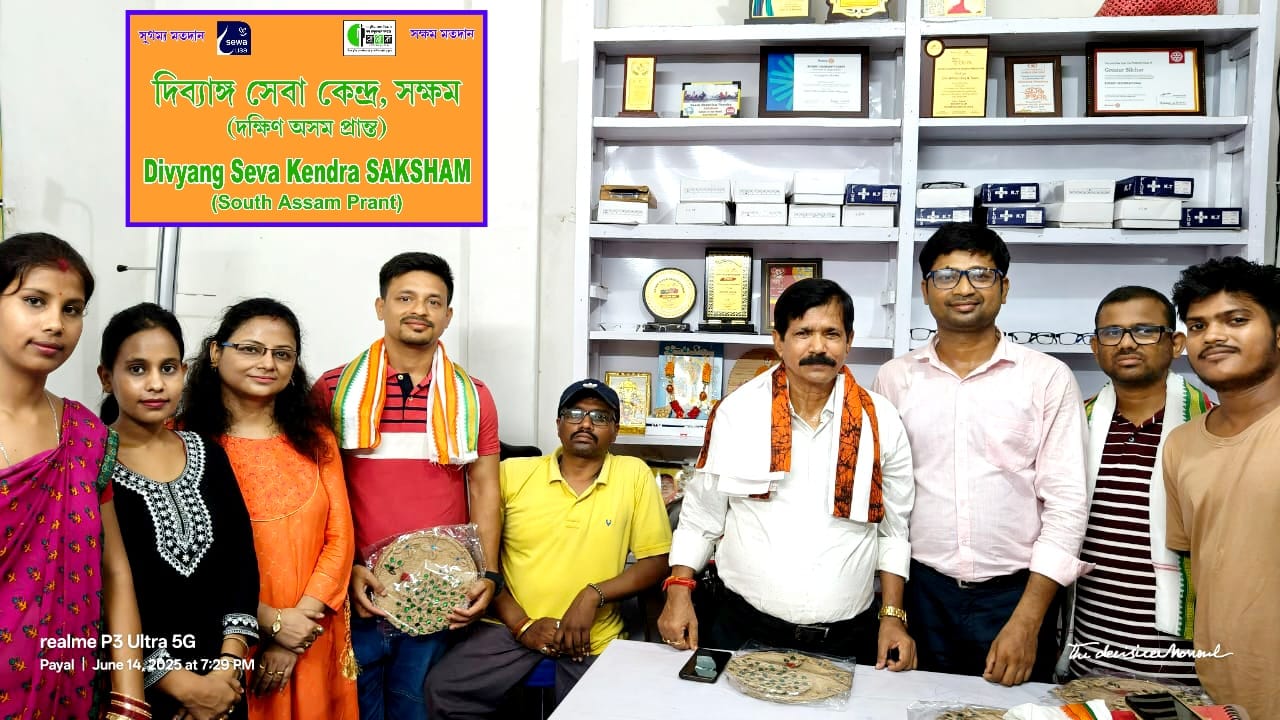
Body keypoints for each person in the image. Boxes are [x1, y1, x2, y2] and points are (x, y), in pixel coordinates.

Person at [660, 278, 917, 671]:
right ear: (778, 341)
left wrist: (893, 616)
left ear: (849, 341)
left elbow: (894, 530)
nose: (818, 347)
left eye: (831, 333)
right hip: (740, 625)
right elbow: (701, 516)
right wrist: (678, 592)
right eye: (803, 333)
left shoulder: (880, 420)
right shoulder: (737, 413)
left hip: (848, 635)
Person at [873, 223, 1088, 686]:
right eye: (946, 276)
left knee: (1014, 712)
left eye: (980, 274)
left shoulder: (1046, 378)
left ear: (1004, 287)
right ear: (925, 291)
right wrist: (893, 612)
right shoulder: (894, 379)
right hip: (921, 592)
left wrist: (1027, 622)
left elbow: (1067, 505)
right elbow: (888, 502)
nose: (964, 289)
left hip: (1016, 595)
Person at [313, 253, 501, 720]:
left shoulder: (473, 398)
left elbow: (485, 490)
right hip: (357, 589)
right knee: (354, 710)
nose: (420, 309)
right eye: (405, 298)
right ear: (381, 306)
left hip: (438, 594)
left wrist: (488, 575)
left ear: (448, 315)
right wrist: (346, 570)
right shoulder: (334, 390)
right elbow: (315, 491)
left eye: (433, 301)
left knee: (417, 709)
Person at [424, 380, 672, 716]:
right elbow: (481, 562)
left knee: (613, 710)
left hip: (591, 637)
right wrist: (523, 625)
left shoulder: (633, 475)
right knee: (443, 690)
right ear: (558, 424)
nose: (586, 423)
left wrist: (592, 595)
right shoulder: (512, 473)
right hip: (508, 628)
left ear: (615, 431)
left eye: (600, 417)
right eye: (575, 414)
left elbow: (656, 561)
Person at [180, 298, 359, 720]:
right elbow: (187, 559)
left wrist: (293, 634)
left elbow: (340, 539)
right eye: (251, 349)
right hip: (221, 639)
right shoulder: (180, 439)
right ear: (215, 352)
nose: (267, 363)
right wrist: (271, 623)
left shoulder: (316, 440)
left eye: (282, 354)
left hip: (311, 636)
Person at [0, 232, 150, 720]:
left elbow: (115, 571)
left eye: (72, 309)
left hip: (68, 690)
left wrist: (129, 699)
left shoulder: (85, 434)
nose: (55, 323)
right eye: (34, 301)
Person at [97, 303, 261, 720]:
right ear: (106, 377)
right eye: (137, 369)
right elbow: (97, 591)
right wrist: (181, 685)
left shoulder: (209, 453)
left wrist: (227, 668)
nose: (156, 384)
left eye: (168, 368)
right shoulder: (90, 463)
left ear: (184, 373)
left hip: (223, 686)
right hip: (136, 687)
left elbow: (241, 566)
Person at [1056, 287, 1208, 682]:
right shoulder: (1074, 426)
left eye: (1144, 330)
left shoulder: (1211, 426)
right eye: (1112, 332)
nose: (1126, 343)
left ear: (1176, 343)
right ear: (1095, 347)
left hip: (1190, 668)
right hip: (1091, 660)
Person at [1164, 257, 1280, 717]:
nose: (1213, 336)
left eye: (1236, 320)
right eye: (1198, 325)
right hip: (1225, 689)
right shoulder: (1182, 444)